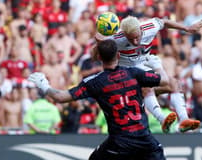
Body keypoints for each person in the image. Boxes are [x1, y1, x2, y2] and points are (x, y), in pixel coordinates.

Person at [28, 39, 180, 160]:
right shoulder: (134, 73)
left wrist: (44, 85)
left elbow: (60, 97)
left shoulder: (95, 82)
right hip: (144, 139)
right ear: (118, 55)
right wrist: (158, 66)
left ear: (99, 58)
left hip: (119, 143)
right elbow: (166, 81)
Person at [95, 15, 202, 133]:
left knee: (174, 83)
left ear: (140, 29)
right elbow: (97, 49)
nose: (135, 41)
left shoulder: (149, 27)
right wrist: (99, 38)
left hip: (143, 66)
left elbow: (164, 22)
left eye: (136, 37)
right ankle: (162, 119)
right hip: (126, 76)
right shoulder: (117, 39)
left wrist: (186, 29)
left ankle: (184, 120)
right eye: (130, 39)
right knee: (147, 86)